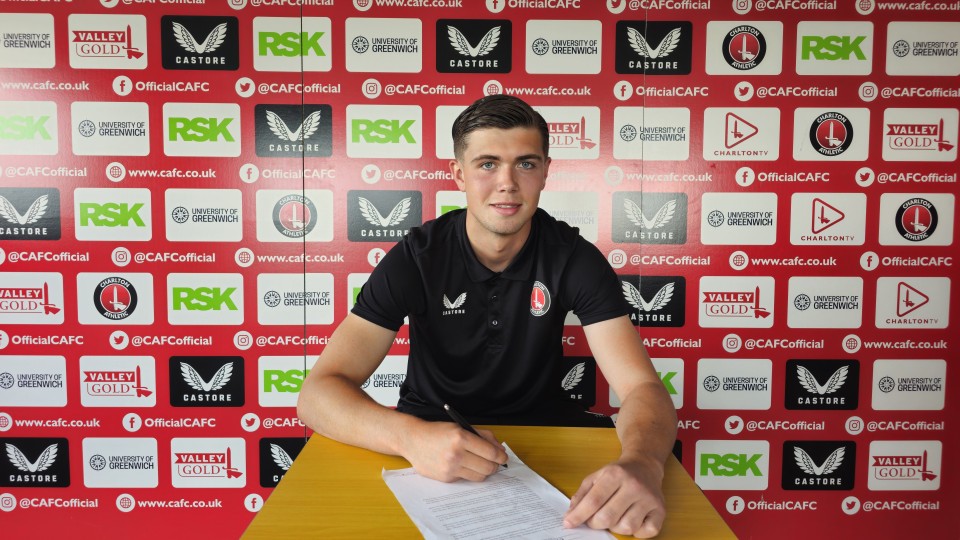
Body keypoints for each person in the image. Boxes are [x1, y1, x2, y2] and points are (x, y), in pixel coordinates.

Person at [297, 94, 677, 538]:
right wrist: (409, 437)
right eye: (487, 164)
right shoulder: (418, 257)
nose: (507, 183)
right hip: (427, 447)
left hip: (543, 442)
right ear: (458, 173)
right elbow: (317, 395)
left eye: (526, 164)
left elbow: (641, 387)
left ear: (546, 172)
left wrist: (644, 462)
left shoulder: (572, 257)